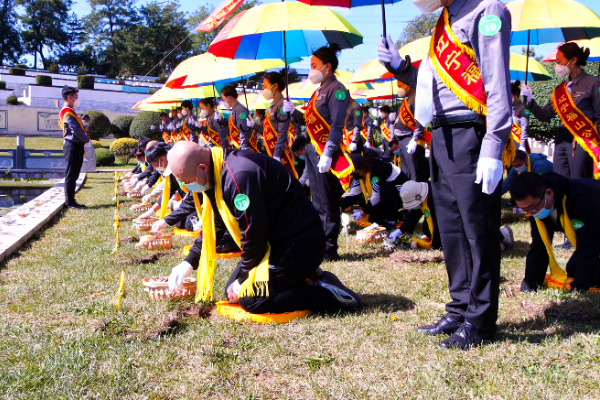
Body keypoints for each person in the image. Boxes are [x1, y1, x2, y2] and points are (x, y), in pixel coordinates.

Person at [379, 0, 512, 349]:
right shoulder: (446, 19)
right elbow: (433, 82)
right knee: (452, 231)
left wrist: (495, 143)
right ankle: (460, 308)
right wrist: (399, 66)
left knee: (478, 232)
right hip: (440, 136)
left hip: (471, 134)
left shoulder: (487, 11)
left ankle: (480, 322)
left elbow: (496, 80)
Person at [166, 141, 362, 314]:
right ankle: (307, 277)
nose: (186, 187)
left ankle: (327, 295)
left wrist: (243, 277)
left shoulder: (239, 176)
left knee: (252, 299)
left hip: (300, 245)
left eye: (187, 182)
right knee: (231, 291)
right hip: (276, 243)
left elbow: (254, 234)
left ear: (201, 167)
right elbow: (216, 224)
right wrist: (189, 262)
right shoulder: (215, 170)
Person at [304, 44, 354, 261]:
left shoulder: (337, 89)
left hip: (327, 154)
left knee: (327, 200)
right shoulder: (318, 91)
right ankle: (319, 242)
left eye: (314, 66)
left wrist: (328, 151)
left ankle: (330, 247)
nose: (311, 70)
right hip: (312, 151)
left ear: (328, 66)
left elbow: (336, 124)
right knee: (317, 200)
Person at [521, 42, 600, 179]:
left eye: (559, 61)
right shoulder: (559, 90)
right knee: (559, 181)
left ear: (573, 60)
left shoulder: (593, 83)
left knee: (579, 182)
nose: (557, 65)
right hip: (561, 140)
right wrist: (531, 102)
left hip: (581, 140)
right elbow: (545, 116)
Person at [511, 172, 600, 292]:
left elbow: (588, 246)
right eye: (524, 210)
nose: (531, 213)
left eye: (532, 208)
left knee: (592, 275)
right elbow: (539, 246)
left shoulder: (583, 198)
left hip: (594, 233)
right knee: (573, 269)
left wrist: (578, 289)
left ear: (549, 193)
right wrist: (530, 284)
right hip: (593, 237)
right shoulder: (536, 207)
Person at [349, 153, 408, 237]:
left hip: (401, 191)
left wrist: (363, 212)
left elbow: (376, 197)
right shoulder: (367, 171)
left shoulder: (377, 172)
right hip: (391, 192)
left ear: (360, 168)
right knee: (375, 219)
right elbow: (354, 193)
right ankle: (401, 215)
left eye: (355, 171)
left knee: (385, 189)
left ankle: (391, 221)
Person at [261, 72, 303, 177]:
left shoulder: (282, 104)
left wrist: (277, 154)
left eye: (265, 86)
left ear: (275, 86)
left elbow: (282, 131)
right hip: (272, 149)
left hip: (279, 151)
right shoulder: (273, 104)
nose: (264, 90)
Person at [58, 86, 89, 209]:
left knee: (74, 174)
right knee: (71, 174)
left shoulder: (70, 111)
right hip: (73, 146)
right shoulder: (67, 112)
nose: (77, 99)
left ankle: (71, 199)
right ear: (69, 97)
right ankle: (69, 201)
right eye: (75, 97)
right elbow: (75, 130)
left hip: (76, 145)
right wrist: (87, 139)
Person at [393, 81, 429, 182]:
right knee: (406, 171)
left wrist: (415, 138)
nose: (399, 88)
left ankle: (417, 193)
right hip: (402, 139)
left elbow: (420, 119)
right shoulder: (406, 99)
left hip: (410, 138)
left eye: (400, 86)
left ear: (407, 85)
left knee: (414, 171)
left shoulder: (416, 98)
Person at [221, 86, 259, 152]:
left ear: (229, 98)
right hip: (237, 146)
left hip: (243, 148)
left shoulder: (240, 110)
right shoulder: (234, 109)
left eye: (223, 99)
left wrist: (243, 148)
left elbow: (243, 129)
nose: (223, 101)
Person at [511, 81, 529, 152]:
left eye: (510, 95)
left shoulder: (523, 108)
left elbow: (525, 127)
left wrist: (522, 146)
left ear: (516, 95)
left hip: (517, 141)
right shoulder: (508, 106)